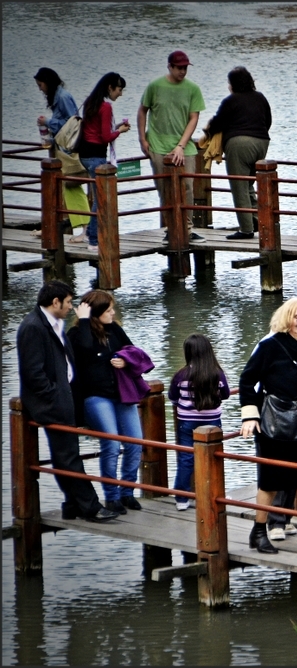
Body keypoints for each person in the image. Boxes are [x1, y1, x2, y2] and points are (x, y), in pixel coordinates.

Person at [16, 281, 118, 522]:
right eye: (69, 302)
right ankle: (91, 507)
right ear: (55, 302)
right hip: (53, 403)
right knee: (68, 456)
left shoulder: (54, 323)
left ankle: (72, 505)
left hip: (66, 398)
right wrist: (55, 394)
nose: (71, 307)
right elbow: (32, 372)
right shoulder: (33, 327)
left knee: (66, 455)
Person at [239, 298, 297, 554]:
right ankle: (259, 532)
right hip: (274, 423)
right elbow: (247, 380)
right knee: (270, 481)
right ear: (287, 317)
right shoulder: (270, 346)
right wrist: (250, 415)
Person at [66, 290, 143, 515]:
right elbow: (86, 349)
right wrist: (83, 320)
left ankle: (128, 490)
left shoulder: (115, 329)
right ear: (95, 313)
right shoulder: (76, 333)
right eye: (108, 310)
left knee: (135, 442)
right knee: (110, 443)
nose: (113, 313)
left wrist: (125, 361)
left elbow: (133, 351)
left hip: (121, 393)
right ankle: (112, 497)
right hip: (95, 396)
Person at [137, 50, 206, 244]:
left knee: (188, 186)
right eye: (179, 68)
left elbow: (194, 117)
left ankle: (188, 229)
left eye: (185, 68)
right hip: (158, 143)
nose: (183, 71)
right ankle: (170, 228)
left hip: (184, 146)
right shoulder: (155, 86)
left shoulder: (193, 89)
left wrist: (181, 146)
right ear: (170, 66)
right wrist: (142, 139)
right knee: (164, 187)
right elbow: (142, 111)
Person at [205, 66, 271, 240]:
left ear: (233, 84)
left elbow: (218, 124)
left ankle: (246, 229)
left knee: (239, 186)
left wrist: (209, 128)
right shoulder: (260, 98)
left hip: (238, 145)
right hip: (262, 142)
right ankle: (259, 220)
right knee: (249, 184)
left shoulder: (230, 101)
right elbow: (268, 120)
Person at [168, 333, 230, 511]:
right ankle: (215, 494)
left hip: (186, 421)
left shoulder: (181, 375)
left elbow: (173, 397)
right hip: (212, 421)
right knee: (214, 458)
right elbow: (225, 394)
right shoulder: (217, 373)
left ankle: (182, 497)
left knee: (186, 458)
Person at [77, 72, 130, 251]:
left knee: (97, 197)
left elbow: (97, 130)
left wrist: (116, 128)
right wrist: (120, 131)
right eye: (119, 89)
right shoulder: (106, 107)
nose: (120, 94)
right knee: (99, 200)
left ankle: (92, 237)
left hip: (84, 155)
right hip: (96, 156)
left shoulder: (91, 101)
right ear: (110, 88)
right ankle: (93, 240)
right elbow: (106, 136)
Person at [35, 67, 77, 142]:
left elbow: (72, 124)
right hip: (62, 144)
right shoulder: (57, 97)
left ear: (47, 83)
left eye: (40, 85)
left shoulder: (62, 97)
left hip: (67, 149)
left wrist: (47, 122)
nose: (40, 89)